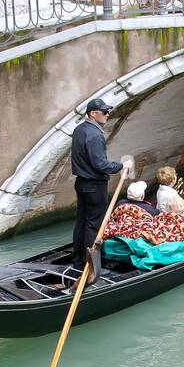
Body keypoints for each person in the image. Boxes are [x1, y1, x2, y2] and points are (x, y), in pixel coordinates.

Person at [71, 98, 133, 269]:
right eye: (104, 112)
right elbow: (100, 164)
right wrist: (121, 165)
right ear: (92, 113)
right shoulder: (94, 134)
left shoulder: (79, 130)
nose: (108, 114)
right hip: (94, 186)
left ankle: (78, 260)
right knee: (94, 225)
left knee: (82, 222)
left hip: (81, 183)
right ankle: (90, 265)